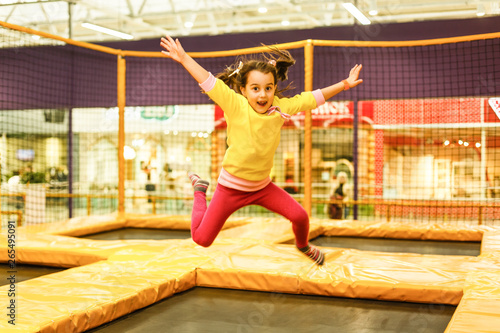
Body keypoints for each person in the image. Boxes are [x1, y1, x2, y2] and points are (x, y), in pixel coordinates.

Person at [160, 35, 363, 265]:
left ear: (275, 88)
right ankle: (200, 189)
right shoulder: (235, 104)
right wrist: (184, 58)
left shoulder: (281, 107)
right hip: (230, 188)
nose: (262, 95)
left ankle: (303, 245)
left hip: (262, 187)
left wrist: (344, 84)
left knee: (300, 216)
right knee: (202, 239)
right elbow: (208, 81)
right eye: (255, 88)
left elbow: (312, 98)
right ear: (244, 90)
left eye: (268, 88)